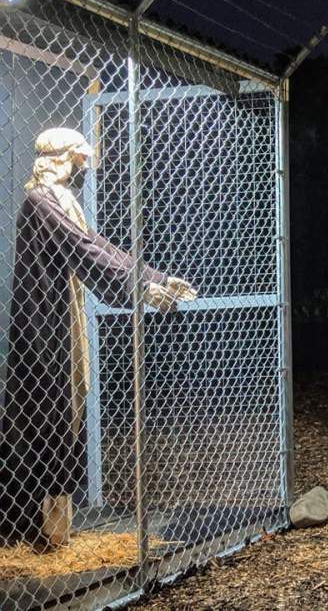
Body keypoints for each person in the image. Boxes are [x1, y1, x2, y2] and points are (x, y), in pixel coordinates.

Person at [1, 128, 196, 549]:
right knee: (47, 413)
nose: (85, 166)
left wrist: (156, 278)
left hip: (59, 316)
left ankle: (53, 531)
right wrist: (140, 288)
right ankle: (34, 529)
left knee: (67, 411)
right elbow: (82, 248)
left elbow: (96, 245)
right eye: (79, 158)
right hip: (41, 324)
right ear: (61, 157)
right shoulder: (41, 200)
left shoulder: (59, 199)